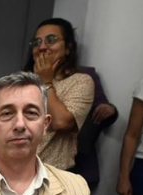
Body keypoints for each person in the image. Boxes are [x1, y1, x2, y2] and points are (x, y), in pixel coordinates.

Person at [23, 18, 94, 170]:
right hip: (5, 169)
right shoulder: (19, 81)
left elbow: (61, 122)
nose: (42, 47)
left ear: (68, 48)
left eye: (51, 40)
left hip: (48, 173)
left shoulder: (80, 81)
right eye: (37, 42)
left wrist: (46, 82)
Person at [73, 66, 118, 189]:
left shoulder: (85, 74)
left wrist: (109, 110)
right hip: (38, 161)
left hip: (77, 166)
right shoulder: (31, 76)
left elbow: (102, 107)